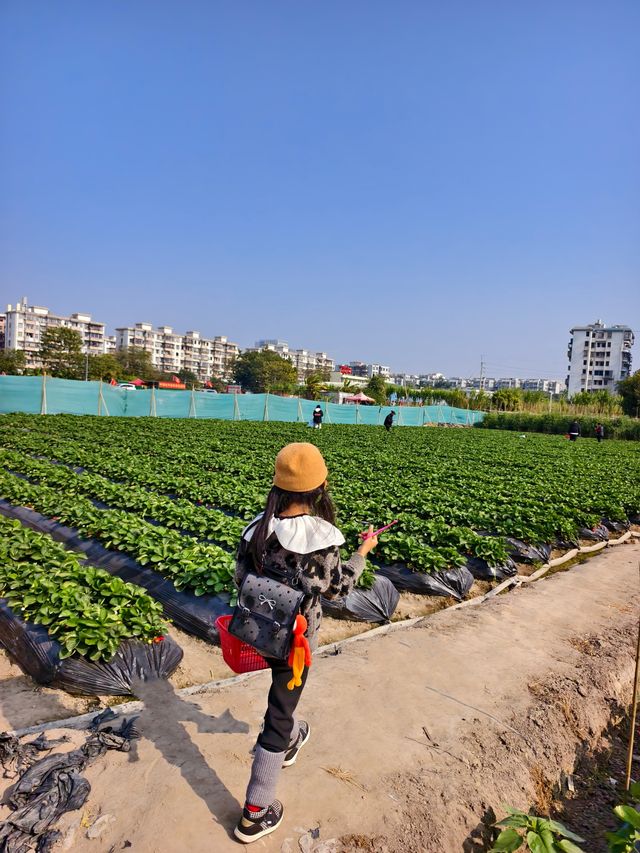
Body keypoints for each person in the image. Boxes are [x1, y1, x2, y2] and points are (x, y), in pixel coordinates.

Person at [233, 443, 378, 844]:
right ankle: (256, 811)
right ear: (321, 488)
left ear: (277, 486)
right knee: (279, 710)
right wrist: (362, 553)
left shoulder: (256, 530)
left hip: (258, 630)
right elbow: (336, 590)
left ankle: (293, 735)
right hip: (296, 642)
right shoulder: (321, 539)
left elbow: (239, 577)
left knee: (284, 698)